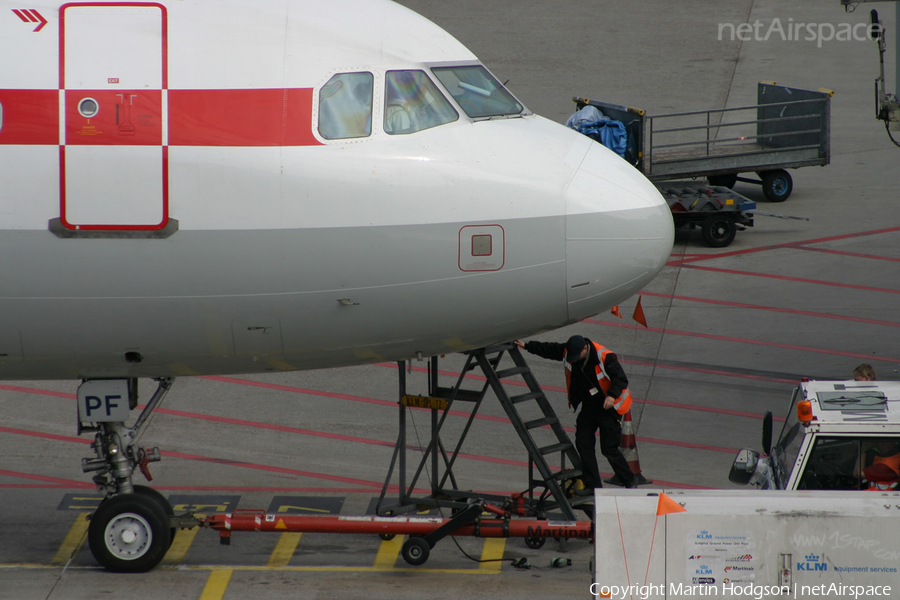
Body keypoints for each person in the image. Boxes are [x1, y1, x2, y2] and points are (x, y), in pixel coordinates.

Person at [514, 335, 636, 494]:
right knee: (583, 442)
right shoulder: (571, 351)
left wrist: (612, 395)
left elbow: (620, 379)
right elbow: (551, 349)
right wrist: (527, 346)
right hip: (589, 406)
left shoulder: (605, 357)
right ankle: (593, 486)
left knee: (609, 449)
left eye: (576, 356)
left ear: (585, 349)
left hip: (608, 409)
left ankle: (629, 481)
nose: (573, 360)